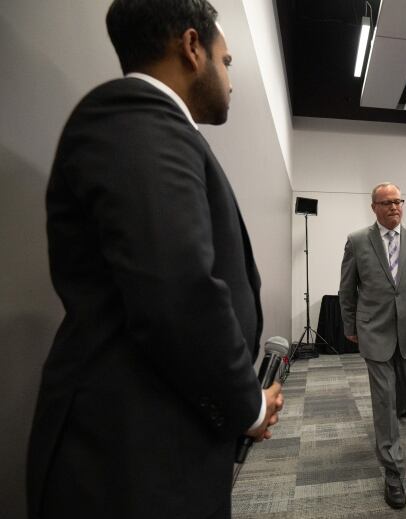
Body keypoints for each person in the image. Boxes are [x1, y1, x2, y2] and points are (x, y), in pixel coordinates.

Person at [27, 2, 283, 518]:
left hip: (156, 443)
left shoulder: (146, 124)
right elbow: (179, 291)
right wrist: (248, 405)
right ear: (192, 48)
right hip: (129, 461)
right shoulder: (136, 116)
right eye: (227, 62)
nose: (230, 79)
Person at [339, 183, 406, 510]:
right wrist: (350, 325)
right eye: (386, 203)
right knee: (384, 400)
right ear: (374, 207)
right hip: (374, 331)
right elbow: (347, 288)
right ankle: (393, 470)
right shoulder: (358, 241)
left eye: (398, 201)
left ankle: (387, 429)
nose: (393, 207)